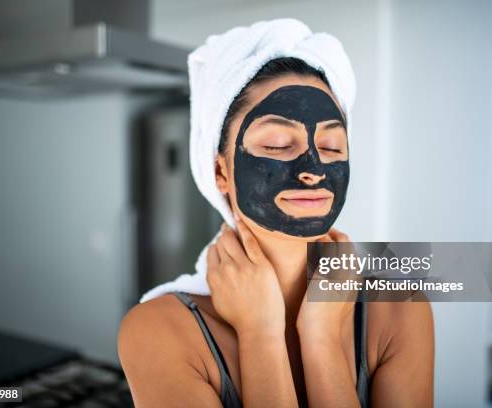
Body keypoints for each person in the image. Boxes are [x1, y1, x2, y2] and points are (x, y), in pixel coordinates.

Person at [118, 21, 434, 408]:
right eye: (278, 143)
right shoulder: (158, 331)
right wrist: (259, 334)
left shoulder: (399, 309)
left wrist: (320, 337)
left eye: (332, 146)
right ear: (221, 172)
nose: (314, 169)